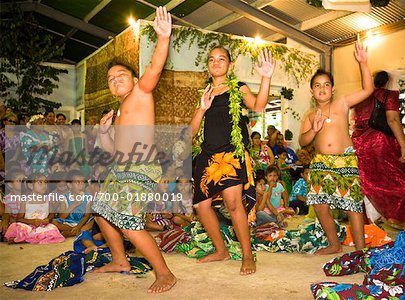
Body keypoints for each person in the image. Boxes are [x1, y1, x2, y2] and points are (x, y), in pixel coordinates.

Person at [91, 7, 176, 293]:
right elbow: (112, 149)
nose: (115, 80)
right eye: (111, 79)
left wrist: (163, 39)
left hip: (141, 167)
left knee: (129, 222)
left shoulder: (141, 92)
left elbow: (154, 68)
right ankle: (120, 261)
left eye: (121, 75)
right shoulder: (118, 112)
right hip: (121, 168)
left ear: (135, 79)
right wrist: (104, 133)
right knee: (101, 211)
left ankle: (164, 272)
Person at [191, 46, 275, 275]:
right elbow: (190, 132)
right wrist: (202, 108)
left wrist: (265, 78)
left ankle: (247, 256)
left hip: (232, 152)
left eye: (221, 59)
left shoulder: (238, 88)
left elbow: (258, 105)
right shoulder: (205, 92)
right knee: (201, 205)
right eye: (211, 59)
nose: (216, 62)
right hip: (207, 156)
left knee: (233, 204)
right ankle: (221, 250)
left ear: (230, 65)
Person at [299, 41, 373, 255]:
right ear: (312, 91)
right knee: (321, 206)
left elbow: (368, 89)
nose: (322, 88)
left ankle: (360, 249)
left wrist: (363, 63)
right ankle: (334, 244)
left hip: (345, 160)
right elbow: (303, 142)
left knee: (352, 205)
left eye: (326, 84)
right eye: (317, 85)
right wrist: (313, 129)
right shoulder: (310, 115)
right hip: (321, 162)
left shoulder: (342, 103)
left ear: (332, 88)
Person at [351, 71, 405, 226]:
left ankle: (370, 219)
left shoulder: (360, 97)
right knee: (395, 180)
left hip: (358, 143)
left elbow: (353, 121)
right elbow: (393, 119)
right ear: (387, 82)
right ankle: (392, 217)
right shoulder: (389, 94)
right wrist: (404, 146)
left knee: (366, 181)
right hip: (380, 143)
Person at [4, 173, 65, 244]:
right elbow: (19, 219)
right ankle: (28, 238)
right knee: (19, 227)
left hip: (43, 227)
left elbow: (51, 214)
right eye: (40, 182)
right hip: (28, 226)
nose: (44, 185)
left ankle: (26, 239)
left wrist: (48, 219)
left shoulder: (48, 199)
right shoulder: (25, 201)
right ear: (30, 185)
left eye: (45, 182)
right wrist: (32, 221)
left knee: (52, 228)